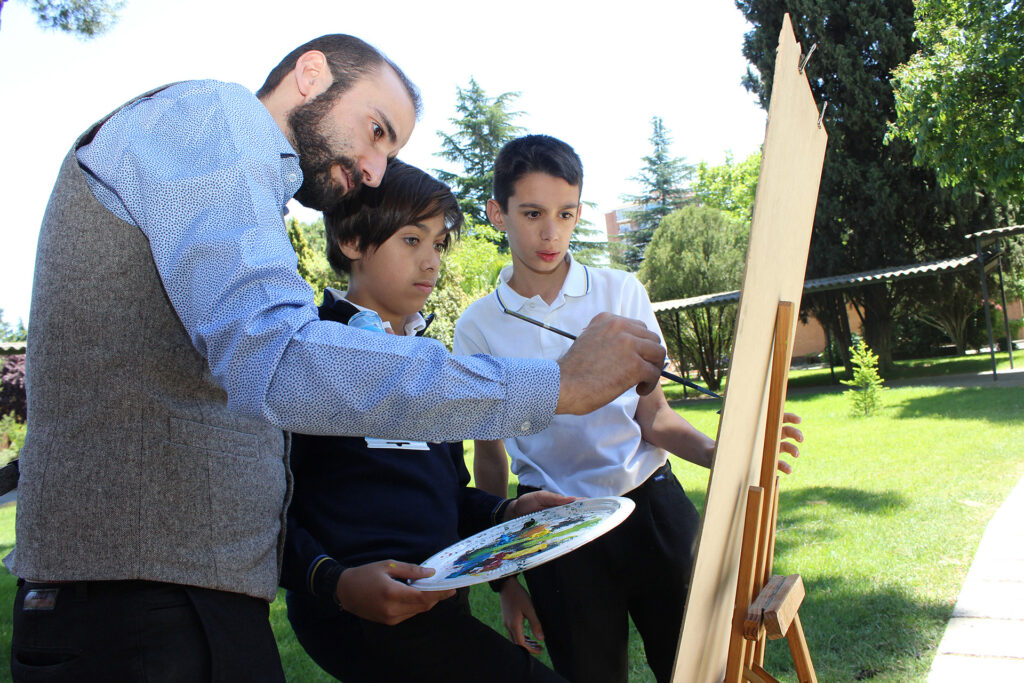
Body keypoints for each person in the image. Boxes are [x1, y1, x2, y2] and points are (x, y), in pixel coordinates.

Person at [7, 38, 666, 682]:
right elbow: (284, 358)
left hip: (189, 602)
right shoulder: (212, 115)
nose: (376, 169)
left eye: (392, 151)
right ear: (311, 74)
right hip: (136, 611)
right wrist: (554, 383)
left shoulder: (238, 194)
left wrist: (497, 517)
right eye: (376, 130)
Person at [453, 135, 803, 683]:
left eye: (565, 213)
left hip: (653, 509)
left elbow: (655, 417)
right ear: (498, 213)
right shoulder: (477, 326)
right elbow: (490, 460)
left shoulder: (619, 292)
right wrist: (506, 578)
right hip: (556, 530)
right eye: (532, 213)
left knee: (698, 670)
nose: (551, 233)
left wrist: (729, 455)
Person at [280, 160, 570, 683]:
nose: (432, 262)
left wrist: (508, 509)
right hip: (357, 613)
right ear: (351, 239)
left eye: (437, 244)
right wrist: (334, 582)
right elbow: (265, 510)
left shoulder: (428, 362)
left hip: (438, 600)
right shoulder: (307, 354)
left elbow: (448, 496)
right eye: (412, 240)